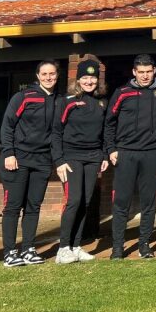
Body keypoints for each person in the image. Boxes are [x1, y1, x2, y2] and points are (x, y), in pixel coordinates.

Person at [104, 54, 156, 259]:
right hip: (126, 153)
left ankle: (144, 245)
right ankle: (117, 248)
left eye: (148, 71)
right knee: (121, 202)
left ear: (154, 71)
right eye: (141, 72)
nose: (145, 76)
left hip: (152, 154)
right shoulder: (122, 93)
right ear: (134, 72)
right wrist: (111, 149)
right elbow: (109, 122)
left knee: (149, 202)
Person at [0, 59, 59, 267]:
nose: (48, 77)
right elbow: (7, 125)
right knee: (13, 207)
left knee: (33, 206)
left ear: (57, 76)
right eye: (44, 74)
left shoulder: (58, 100)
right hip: (18, 159)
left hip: (42, 161)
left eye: (52, 74)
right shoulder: (23, 96)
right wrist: (9, 153)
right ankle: (9, 253)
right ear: (37, 76)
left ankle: (28, 250)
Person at [52, 58, 109, 265]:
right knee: (74, 200)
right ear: (78, 80)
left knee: (86, 201)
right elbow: (56, 132)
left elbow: (105, 132)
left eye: (92, 78)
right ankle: (63, 249)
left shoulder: (102, 103)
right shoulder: (66, 101)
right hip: (71, 158)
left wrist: (104, 155)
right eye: (85, 78)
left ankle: (76, 247)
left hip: (93, 158)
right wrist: (59, 160)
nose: (89, 82)